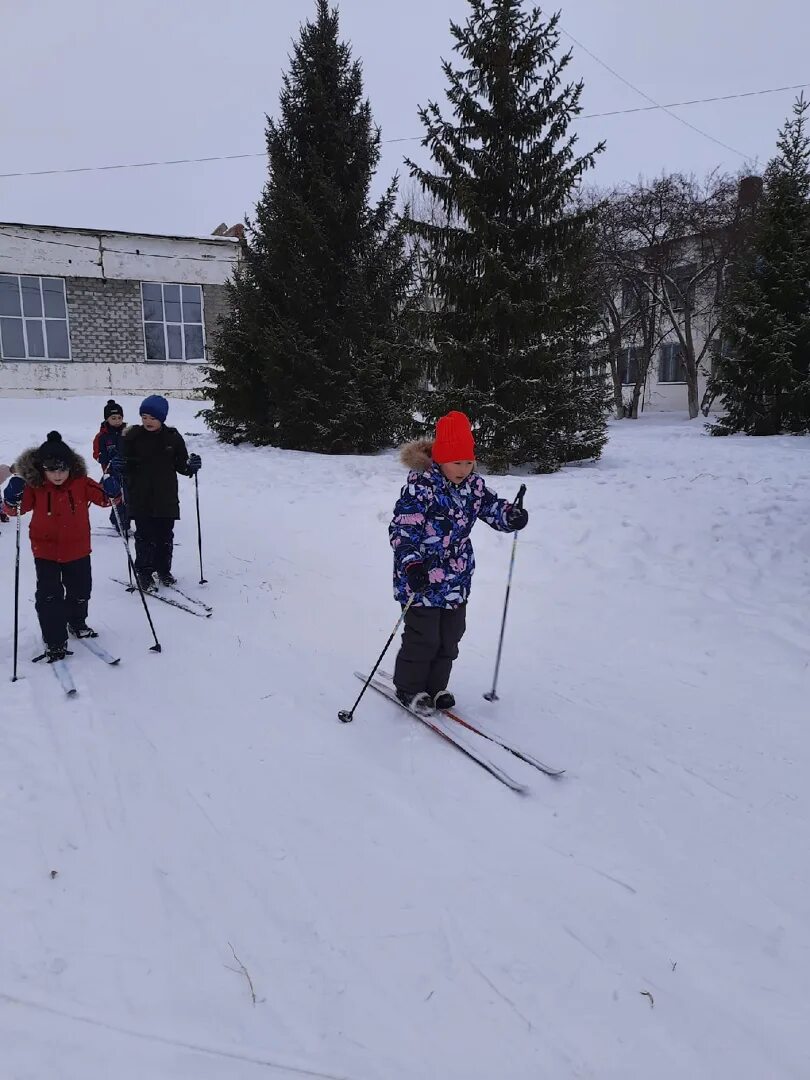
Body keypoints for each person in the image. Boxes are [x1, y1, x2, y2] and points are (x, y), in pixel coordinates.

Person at [389, 411, 528, 714]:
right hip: (421, 579)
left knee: (449, 640)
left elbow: (493, 509)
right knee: (423, 639)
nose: (463, 469)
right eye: (456, 462)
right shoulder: (421, 488)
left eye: (468, 462)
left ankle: (436, 688)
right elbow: (402, 530)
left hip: (456, 579)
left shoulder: (474, 487)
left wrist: (511, 516)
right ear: (440, 459)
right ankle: (410, 689)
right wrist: (412, 565)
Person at [2, 431, 121, 662]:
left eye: (62, 470)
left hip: (78, 548)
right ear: (42, 469)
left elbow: (107, 500)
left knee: (80, 590)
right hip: (45, 550)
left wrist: (113, 490)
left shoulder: (80, 482)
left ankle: (76, 622)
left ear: (70, 468)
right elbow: (14, 510)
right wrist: (11, 498)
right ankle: (55, 639)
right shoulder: (34, 485)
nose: (58, 475)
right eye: (52, 470)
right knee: (49, 596)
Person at [113, 395, 201, 592]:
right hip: (141, 495)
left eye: (152, 418)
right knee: (144, 536)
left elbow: (182, 465)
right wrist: (120, 466)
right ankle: (144, 572)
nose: (147, 422)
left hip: (166, 496)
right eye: (144, 417)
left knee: (164, 536)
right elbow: (124, 465)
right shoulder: (132, 437)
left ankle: (163, 570)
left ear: (162, 417)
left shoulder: (172, 437)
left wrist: (192, 466)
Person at [92, 399, 129, 534]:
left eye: (119, 418)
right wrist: (105, 457)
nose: (117, 421)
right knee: (118, 496)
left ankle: (122, 520)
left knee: (128, 496)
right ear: (107, 419)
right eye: (113, 418)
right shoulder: (102, 436)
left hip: (127, 470)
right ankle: (120, 522)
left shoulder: (127, 433)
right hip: (111, 471)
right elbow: (96, 454)